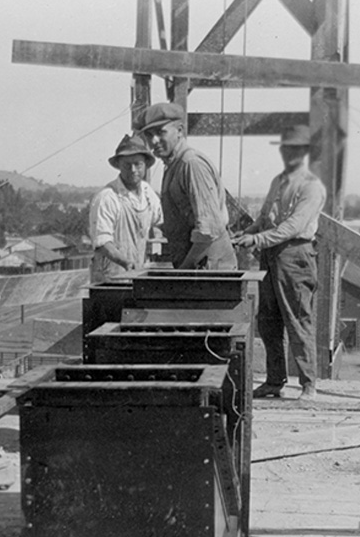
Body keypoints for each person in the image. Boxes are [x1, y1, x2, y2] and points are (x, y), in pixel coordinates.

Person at [234, 125, 326, 401]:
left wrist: (258, 240)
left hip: (295, 256)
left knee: (298, 320)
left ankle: (309, 384)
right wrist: (247, 233)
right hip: (271, 256)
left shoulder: (312, 186)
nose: (291, 153)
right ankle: (275, 381)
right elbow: (265, 217)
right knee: (269, 322)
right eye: (287, 148)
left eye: (297, 149)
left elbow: (293, 226)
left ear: (306, 152)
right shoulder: (278, 181)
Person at [140, 102, 237, 270]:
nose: (154, 141)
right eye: (149, 135)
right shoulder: (173, 165)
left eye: (160, 132)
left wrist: (183, 271)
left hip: (210, 269)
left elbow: (208, 230)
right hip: (196, 266)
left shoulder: (191, 164)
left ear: (180, 131)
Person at [89, 134, 163, 283]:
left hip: (137, 277)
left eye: (138, 164)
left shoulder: (148, 193)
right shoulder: (107, 198)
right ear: (119, 165)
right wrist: (126, 263)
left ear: (146, 165)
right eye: (127, 165)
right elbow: (103, 243)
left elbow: (160, 222)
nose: (133, 169)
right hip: (109, 281)